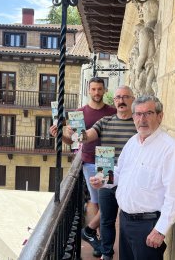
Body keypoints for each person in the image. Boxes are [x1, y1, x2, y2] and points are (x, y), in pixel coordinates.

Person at [90, 95, 175, 260]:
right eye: (138, 114)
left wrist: (160, 230)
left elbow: (174, 195)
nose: (142, 119)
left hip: (148, 227)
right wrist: (103, 180)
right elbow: (120, 172)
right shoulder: (133, 142)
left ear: (160, 116)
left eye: (148, 113)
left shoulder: (170, 149)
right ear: (133, 117)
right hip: (125, 221)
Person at [69, 85, 137, 260]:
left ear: (132, 100)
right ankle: (107, 254)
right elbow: (85, 136)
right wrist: (71, 133)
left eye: (125, 97)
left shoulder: (139, 123)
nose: (121, 100)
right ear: (114, 101)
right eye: (118, 97)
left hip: (132, 179)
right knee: (107, 219)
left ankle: (130, 253)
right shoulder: (105, 122)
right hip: (107, 176)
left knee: (131, 220)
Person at [50, 77, 116, 257]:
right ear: (89, 91)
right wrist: (59, 136)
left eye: (99, 89)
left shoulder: (113, 111)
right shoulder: (80, 113)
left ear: (104, 90)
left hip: (108, 159)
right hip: (88, 161)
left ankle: (91, 231)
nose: (96, 93)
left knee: (109, 201)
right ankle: (98, 238)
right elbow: (72, 142)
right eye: (93, 89)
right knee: (96, 201)